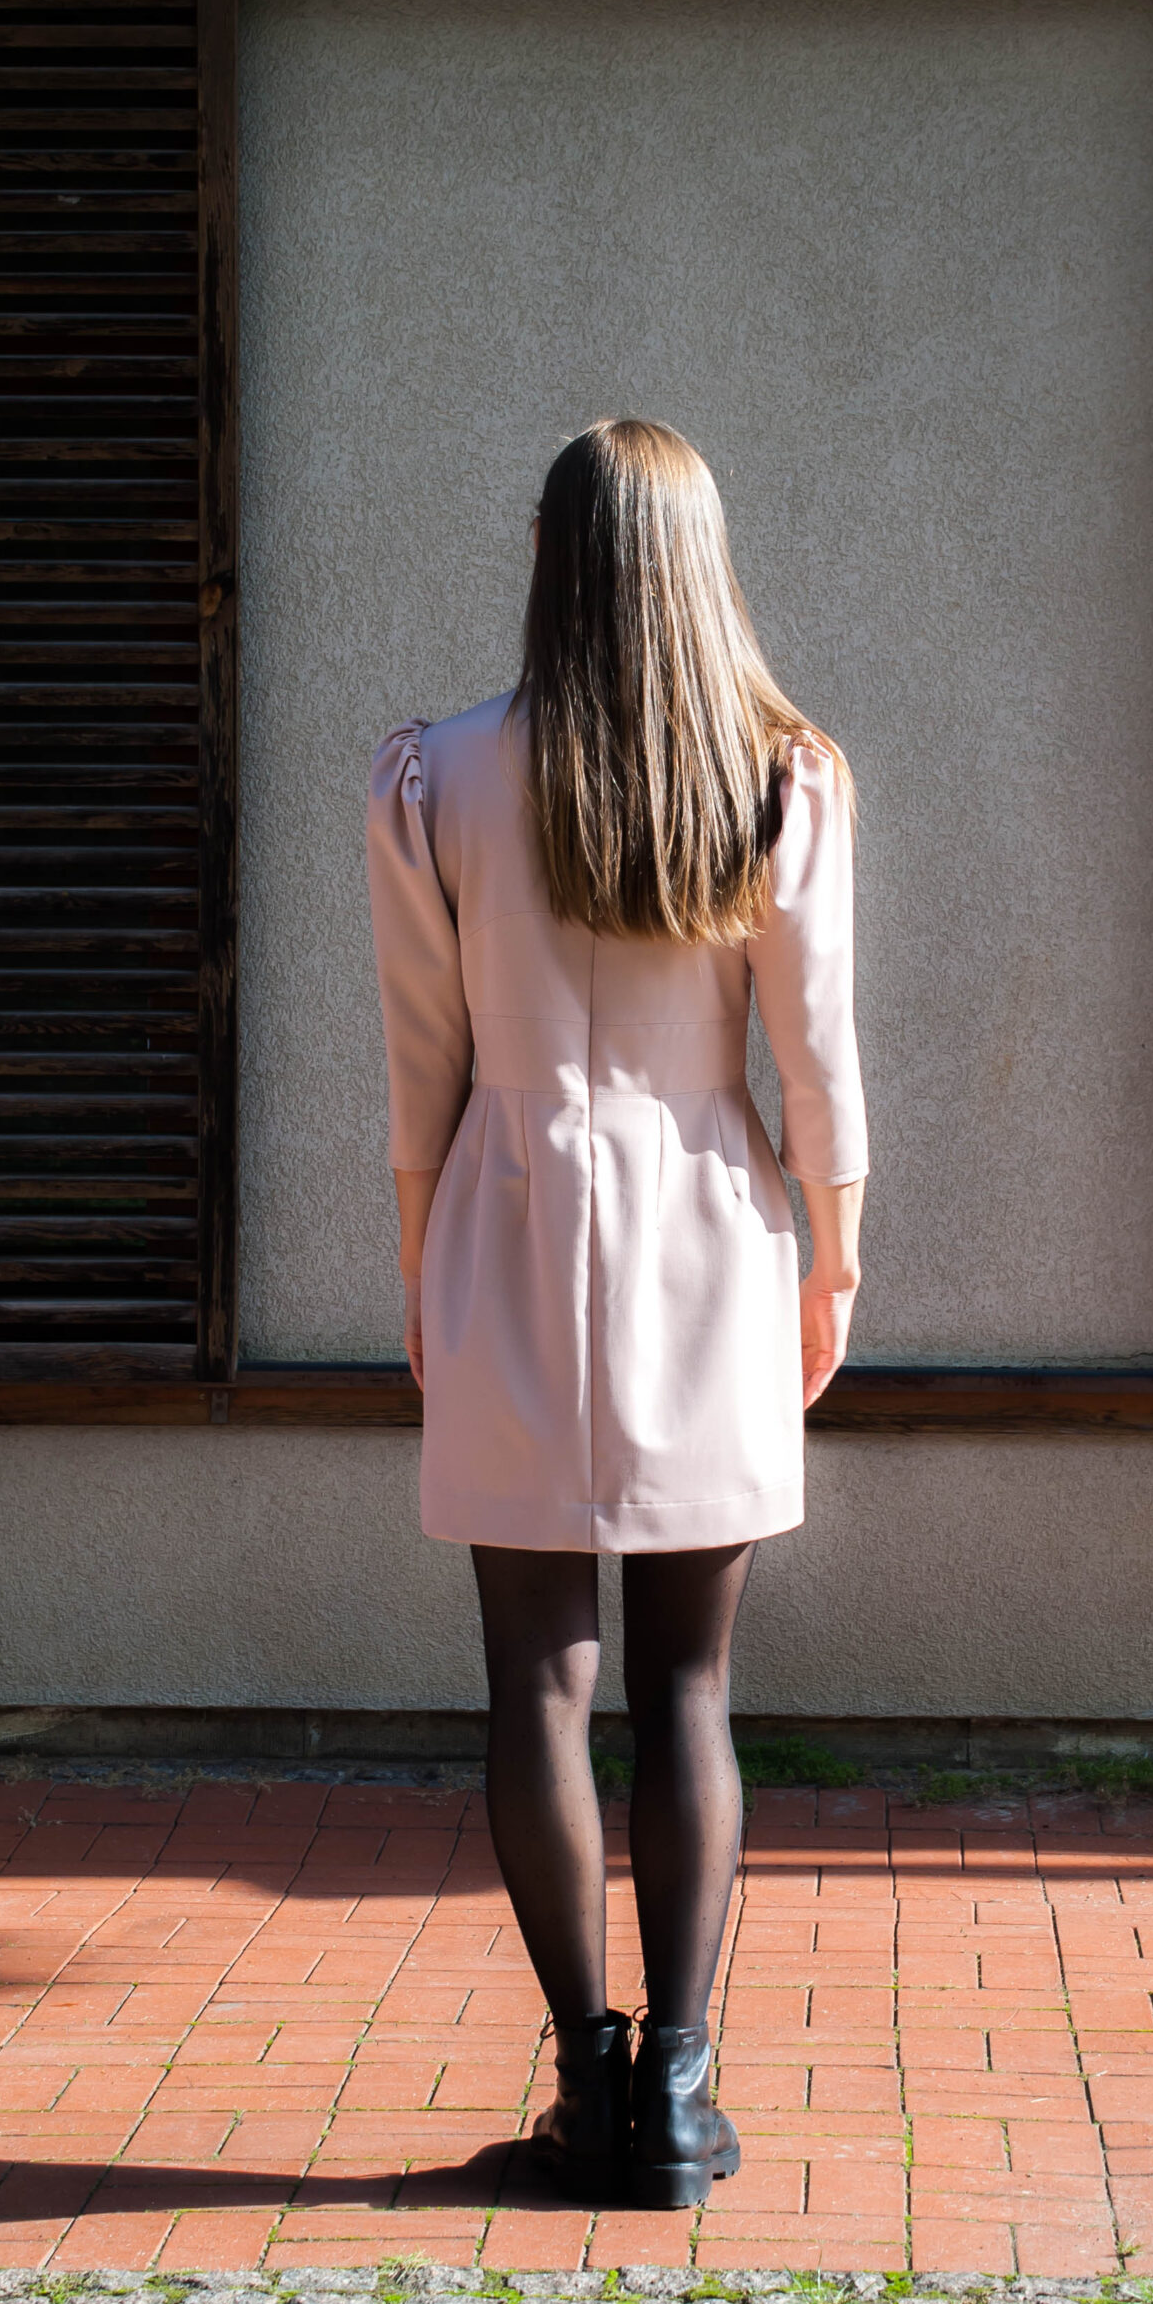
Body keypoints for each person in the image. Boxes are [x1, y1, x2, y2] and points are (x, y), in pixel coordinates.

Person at [365, 418, 867, 2210]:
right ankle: (678, 2094)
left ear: (545, 551)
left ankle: (588, 2078)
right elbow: (815, 1055)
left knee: (533, 1673)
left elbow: (423, 1059)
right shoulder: (777, 777)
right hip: (708, 1222)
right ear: (698, 559)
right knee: (689, 1684)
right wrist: (835, 1254)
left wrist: (417, 1262)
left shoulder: (436, 773)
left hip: (503, 1215)